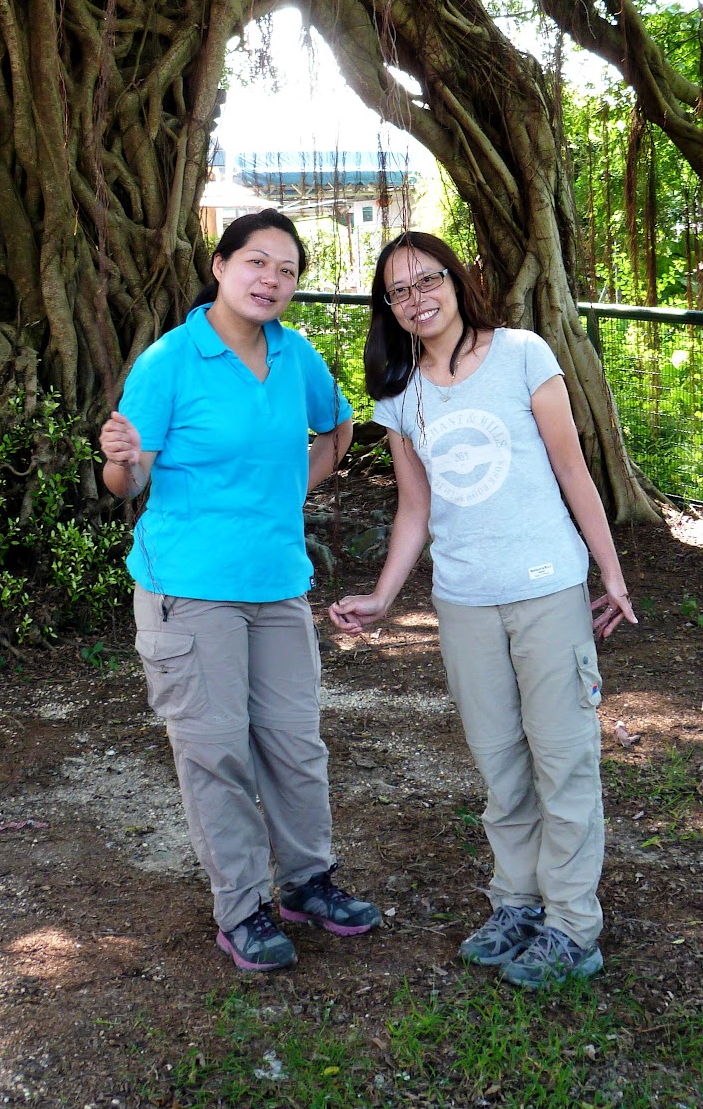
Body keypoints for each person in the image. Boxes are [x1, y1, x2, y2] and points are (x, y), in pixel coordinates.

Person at [329, 232, 636, 991]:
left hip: (546, 588)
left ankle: (573, 926)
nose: (417, 299)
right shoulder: (400, 394)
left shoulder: (523, 354)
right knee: (500, 765)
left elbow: (573, 470)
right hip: (464, 601)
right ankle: (516, 904)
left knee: (562, 760)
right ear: (388, 307)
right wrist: (383, 597)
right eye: (399, 291)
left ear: (456, 279)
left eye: (427, 279)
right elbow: (414, 507)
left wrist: (609, 571)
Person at [100, 209, 381, 973]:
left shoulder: (297, 356)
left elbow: (337, 429)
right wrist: (120, 457)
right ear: (220, 266)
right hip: (189, 589)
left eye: (287, 271)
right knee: (216, 750)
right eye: (257, 261)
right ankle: (242, 908)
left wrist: (290, 492)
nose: (271, 280)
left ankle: (307, 883)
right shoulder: (169, 361)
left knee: (294, 743)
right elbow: (128, 479)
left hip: (277, 584)